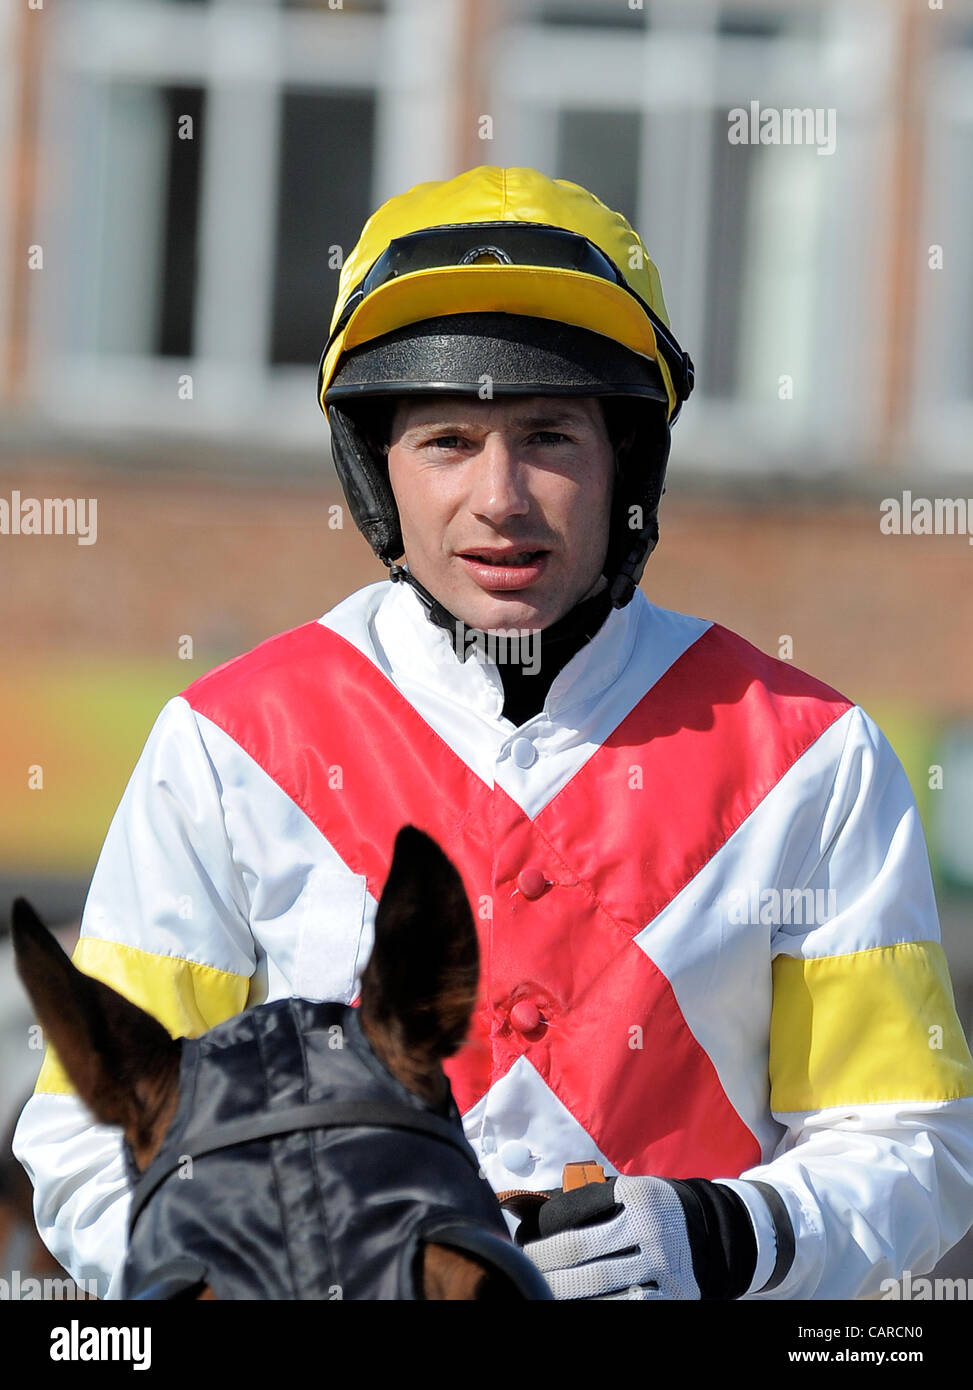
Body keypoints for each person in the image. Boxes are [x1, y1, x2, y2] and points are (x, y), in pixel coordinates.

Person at [13, 165, 973, 1301]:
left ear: (628, 464)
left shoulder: (815, 756)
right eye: (448, 440)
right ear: (378, 475)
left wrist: (727, 1233)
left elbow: (912, 1143)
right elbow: (90, 1140)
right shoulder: (223, 745)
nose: (500, 496)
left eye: (550, 436)